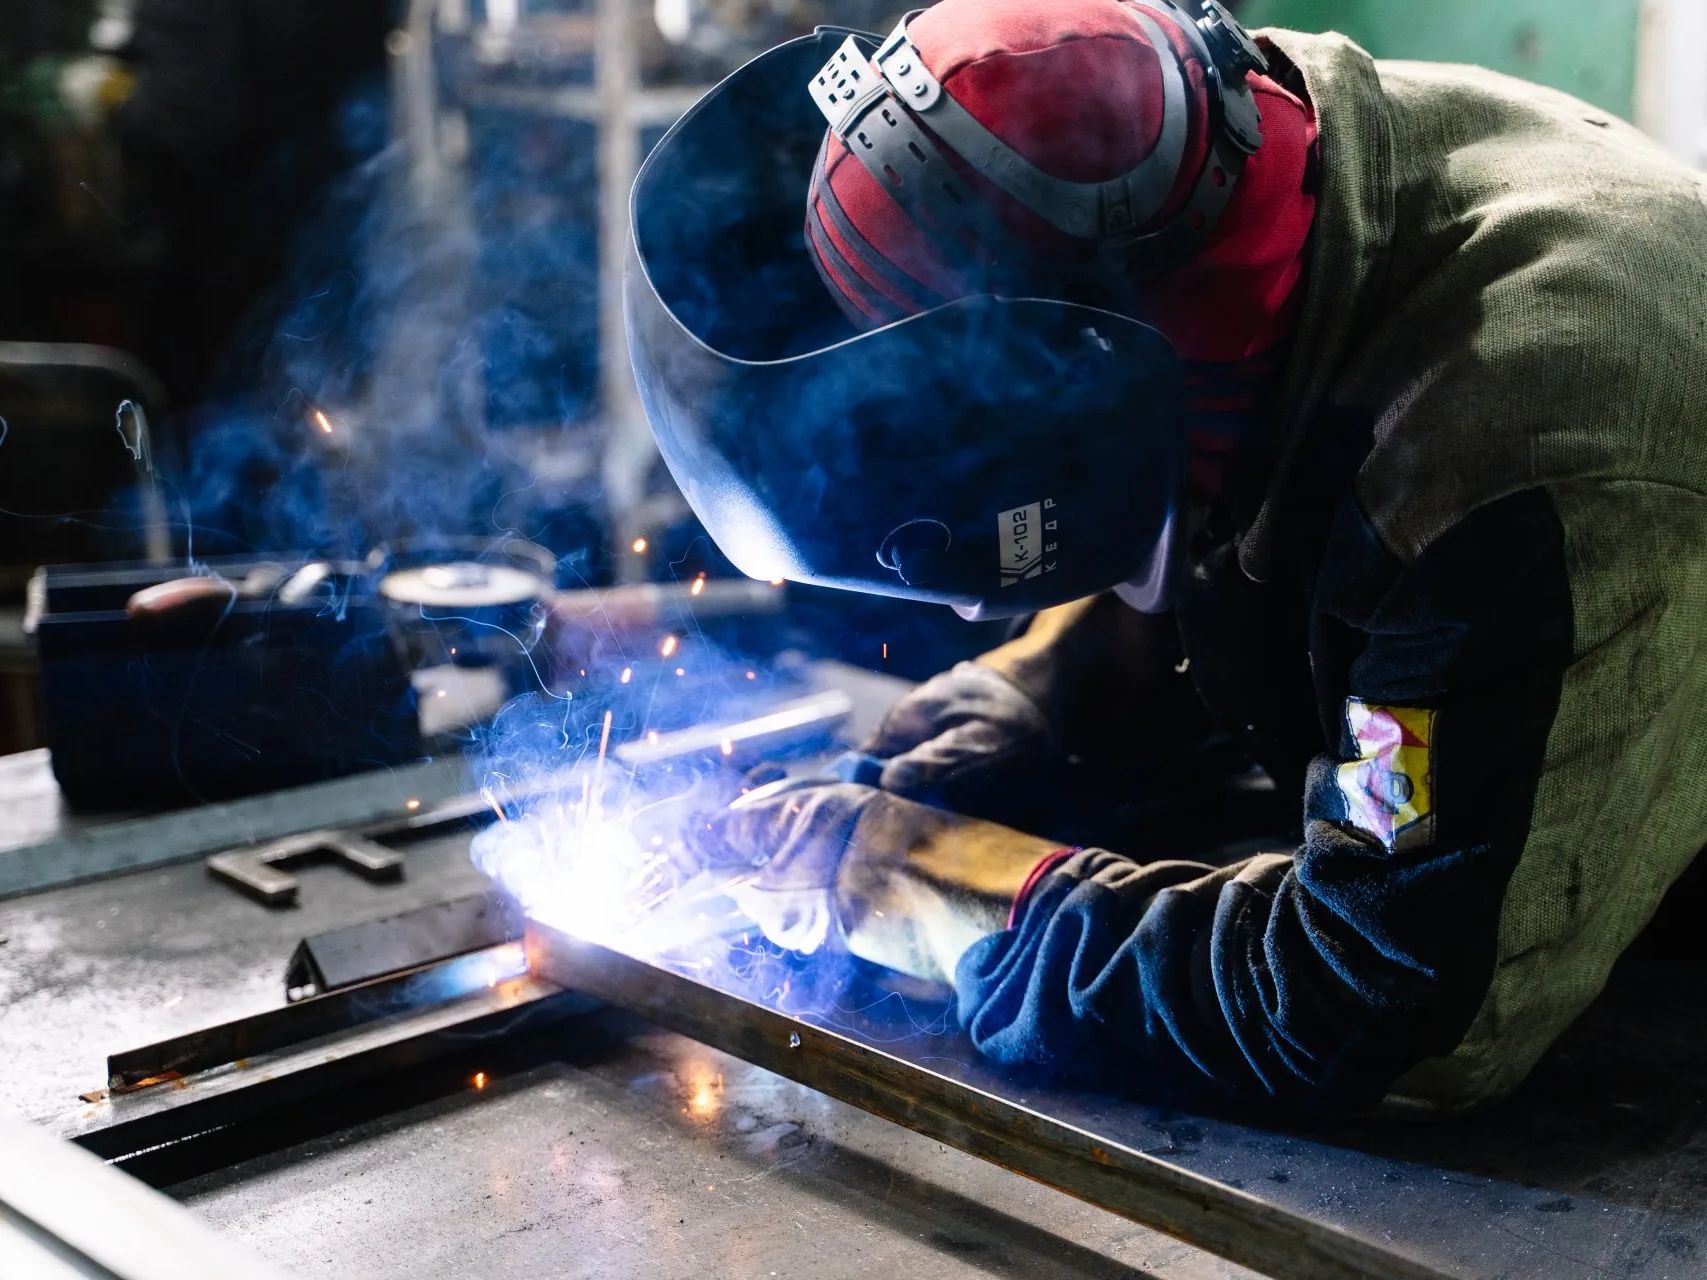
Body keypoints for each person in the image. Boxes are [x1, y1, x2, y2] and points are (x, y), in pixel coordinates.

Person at [624, 0, 1707, 1115]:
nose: (957, 618)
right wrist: (1049, 692)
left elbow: (1375, 1007)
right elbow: (1250, 478)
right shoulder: (1276, 173)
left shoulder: (1511, 470)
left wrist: (928, 883)